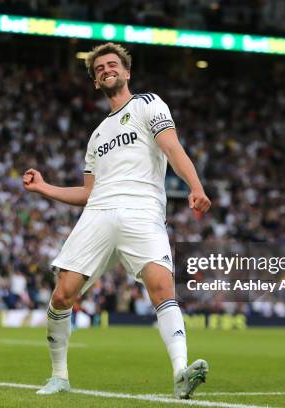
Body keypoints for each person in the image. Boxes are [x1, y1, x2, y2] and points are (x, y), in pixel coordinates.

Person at [23, 42, 211, 399]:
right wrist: (45, 187)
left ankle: (180, 373)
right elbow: (89, 192)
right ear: (96, 81)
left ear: (126, 72)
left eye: (112, 65)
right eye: (99, 69)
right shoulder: (96, 137)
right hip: (99, 214)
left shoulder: (148, 104)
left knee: (162, 288)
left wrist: (195, 185)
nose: (106, 69)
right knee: (63, 295)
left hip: (141, 209)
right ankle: (59, 376)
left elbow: (172, 148)